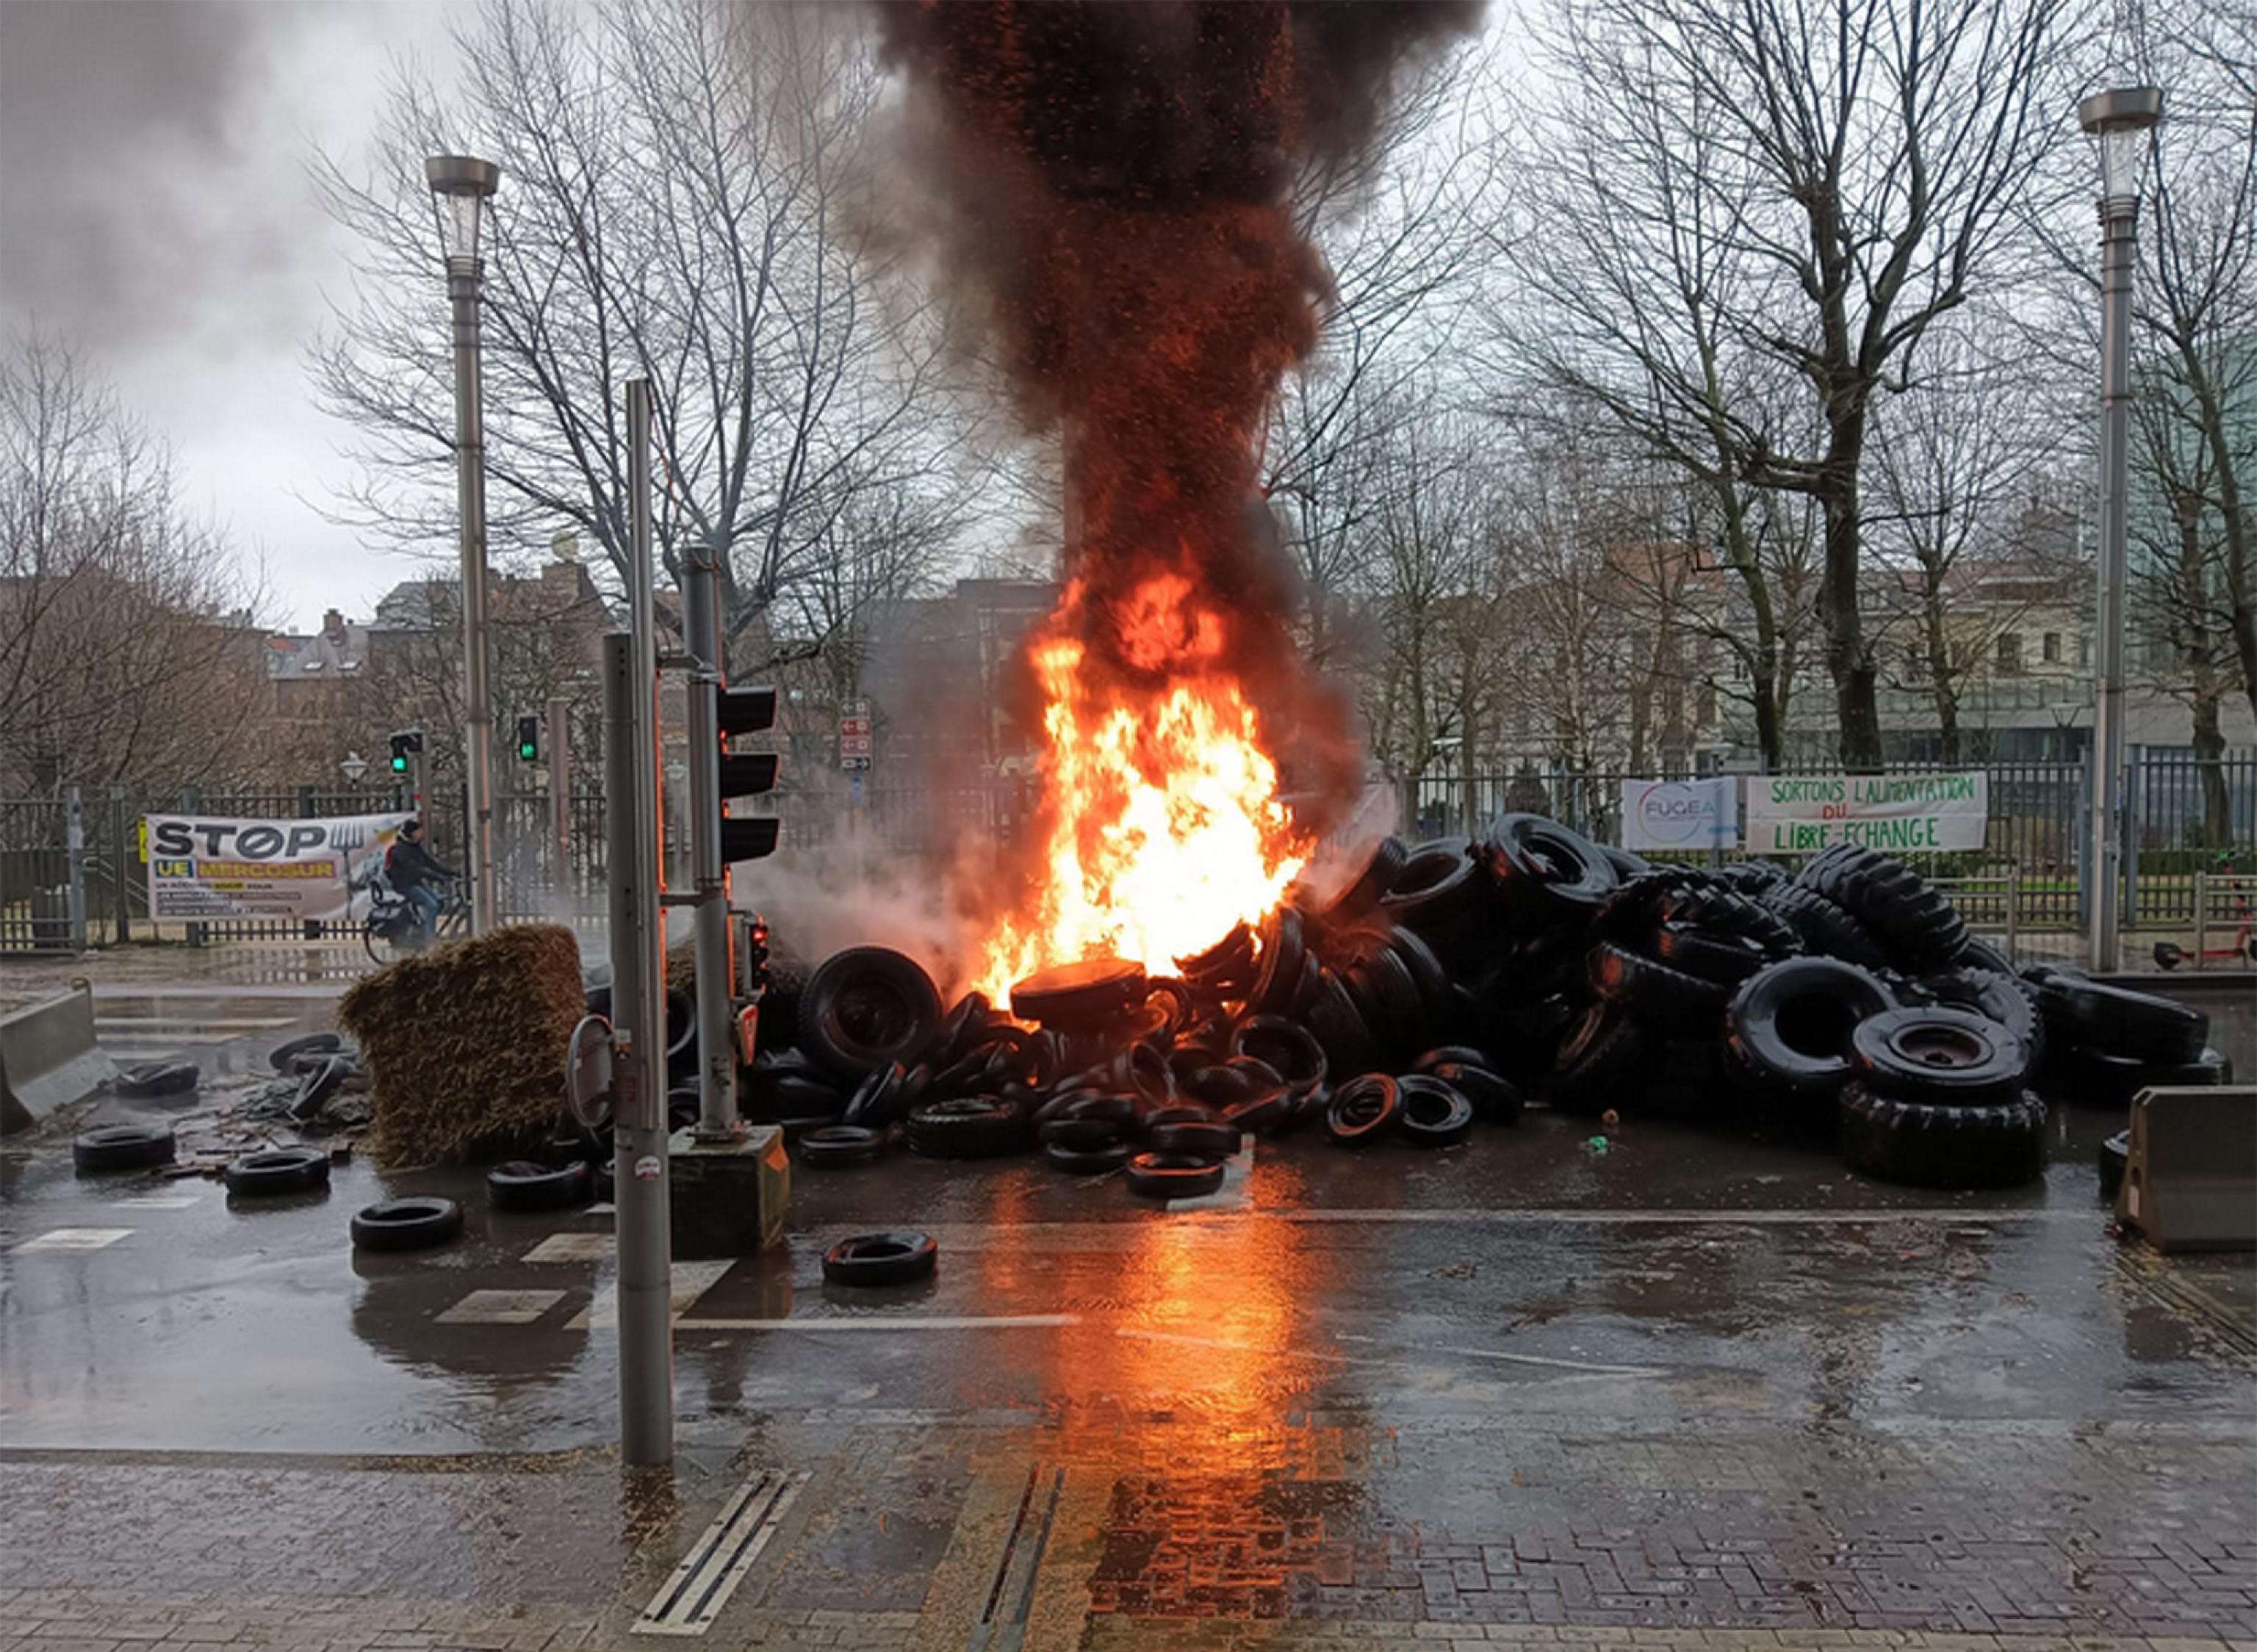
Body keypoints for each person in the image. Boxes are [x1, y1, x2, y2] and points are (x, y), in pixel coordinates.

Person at [384, 818, 458, 942]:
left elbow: (431, 864)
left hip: (415, 883)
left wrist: (450, 872)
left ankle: (424, 927)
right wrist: (436, 877)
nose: (422, 833)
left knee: (440, 902)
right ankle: (430, 939)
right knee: (432, 905)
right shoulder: (401, 850)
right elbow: (416, 869)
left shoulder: (416, 847)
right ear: (412, 833)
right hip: (404, 885)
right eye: (419, 830)